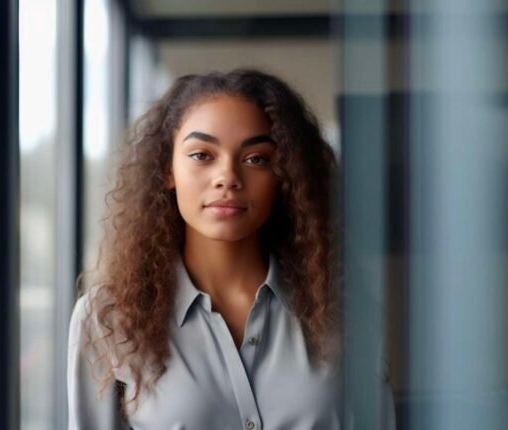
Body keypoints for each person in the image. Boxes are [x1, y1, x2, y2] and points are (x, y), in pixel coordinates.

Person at [67, 69, 394, 429]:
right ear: (167, 169)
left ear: (285, 176)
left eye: (256, 158)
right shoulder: (108, 319)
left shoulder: (343, 311)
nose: (228, 177)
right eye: (202, 155)